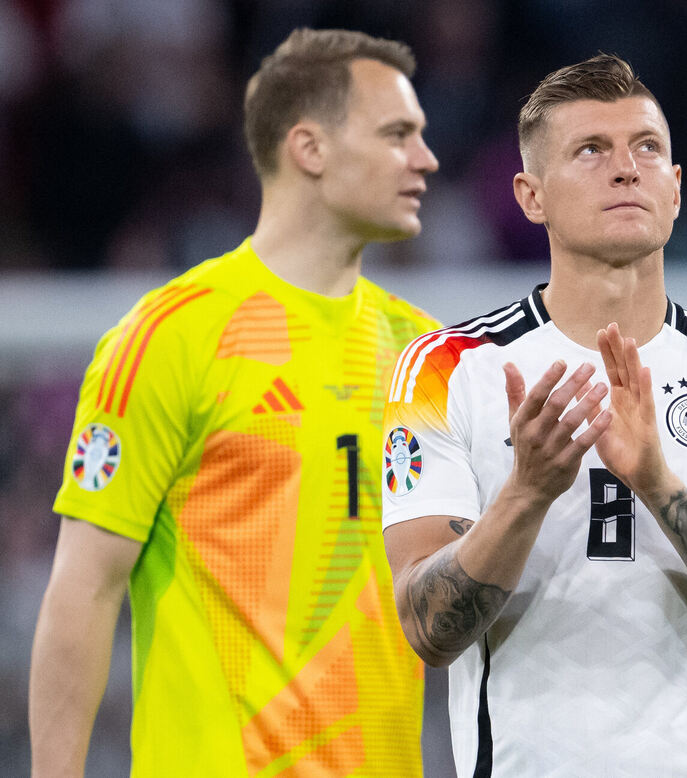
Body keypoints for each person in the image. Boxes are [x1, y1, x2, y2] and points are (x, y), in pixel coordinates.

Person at [380, 54, 687, 776]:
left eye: (646, 148)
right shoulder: (447, 369)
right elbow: (428, 629)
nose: (626, 169)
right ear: (531, 196)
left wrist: (660, 485)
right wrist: (527, 492)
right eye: (590, 150)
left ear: (675, 189)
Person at [29, 28, 440, 776]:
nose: (425, 158)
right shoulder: (173, 336)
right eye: (396, 134)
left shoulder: (422, 353)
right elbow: (85, 587)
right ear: (309, 148)